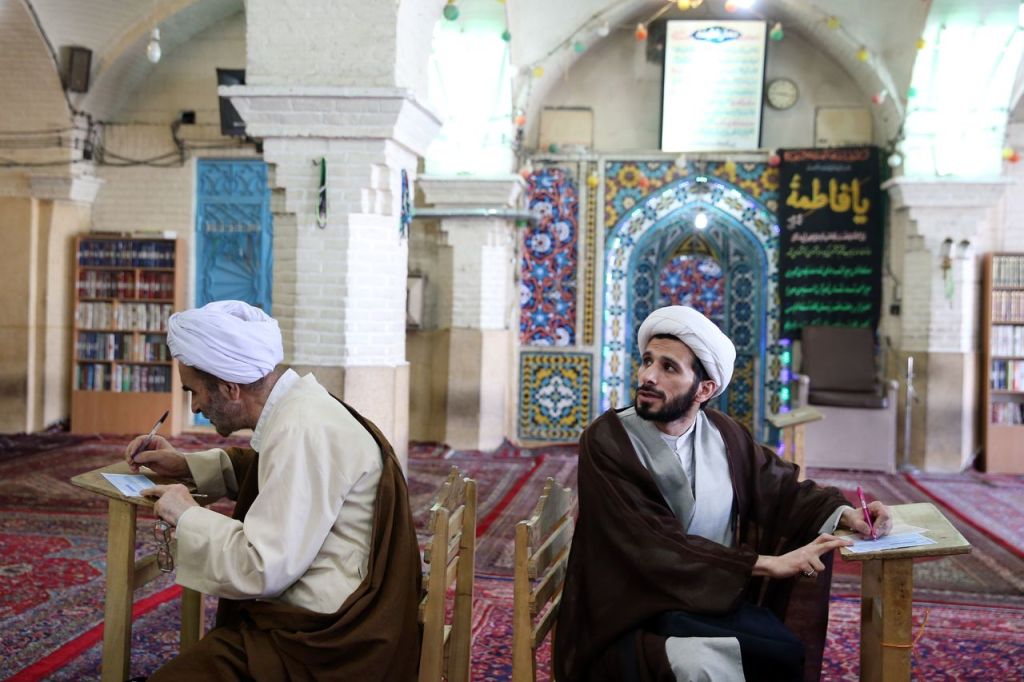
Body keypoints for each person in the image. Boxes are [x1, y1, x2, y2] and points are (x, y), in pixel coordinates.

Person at [553, 306, 892, 682]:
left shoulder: (723, 434)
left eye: (668, 367)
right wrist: (765, 564)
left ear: (705, 389)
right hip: (630, 611)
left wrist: (847, 513)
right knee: (714, 665)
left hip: (704, 598)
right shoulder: (608, 440)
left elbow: (780, 489)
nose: (648, 376)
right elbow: (651, 545)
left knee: (784, 651)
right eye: (647, 361)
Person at [124, 300, 421, 681]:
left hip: (331, 639)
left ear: (230, 388)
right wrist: (185, 465)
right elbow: (267, 469)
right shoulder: (301, 405)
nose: (195, 406)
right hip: (338, 603)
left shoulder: (301, 431)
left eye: (193, 392)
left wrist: (187, 514)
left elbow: (262, 565)